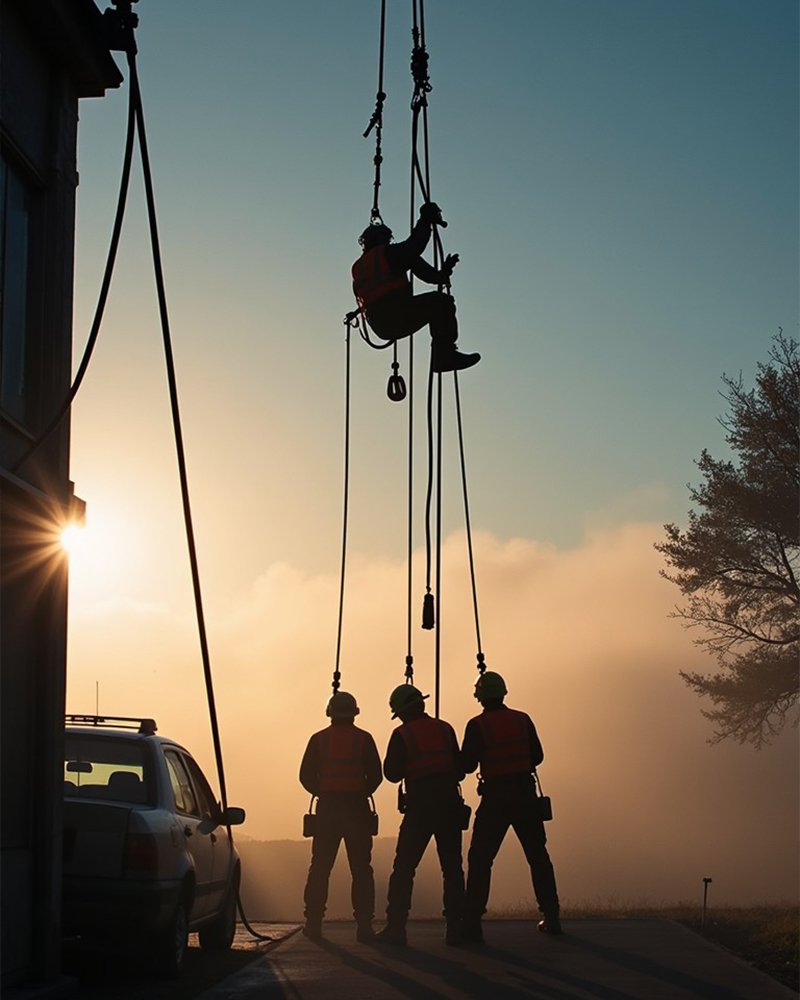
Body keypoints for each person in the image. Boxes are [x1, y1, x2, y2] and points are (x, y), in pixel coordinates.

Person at [460, 671, 561, 942]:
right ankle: (552, 917)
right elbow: (537, 756)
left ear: (480, 696)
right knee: (538, 856)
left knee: (481, 858)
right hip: (524, 794)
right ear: (503, 692)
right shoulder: (522, 719)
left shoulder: (477, 725)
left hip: (495, 797)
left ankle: (472, 923)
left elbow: (467, 765)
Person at [375, 684, 466, 946]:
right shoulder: (445, 728)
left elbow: (391, 774)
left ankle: (396, 928)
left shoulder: (402, 734)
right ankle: (454, 928)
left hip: (420, 807)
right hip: (448, 802)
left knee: (404, 867)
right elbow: (460, 770)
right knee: (452, 867)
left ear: (401, 711)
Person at [352, 202, 481, 373]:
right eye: (386, 239)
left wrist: (444, 273)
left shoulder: (361, 267)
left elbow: (419, 265)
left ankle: (444, 356)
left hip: (380, 326)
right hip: (396, 315)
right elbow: (414, 247)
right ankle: (445, 356)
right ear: (379, 239)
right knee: (442, 303)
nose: (389, 242)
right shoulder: (387, 255)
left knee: (439, 302)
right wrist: (425, 218)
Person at [299, 690, 383, 942]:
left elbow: (305, 776)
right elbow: (376, 776)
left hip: (328, 810)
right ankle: (365, 927)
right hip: (357, 809)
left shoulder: (318, 740)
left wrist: (324, 790)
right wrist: (358, 791)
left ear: (330, 712)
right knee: (361, 870)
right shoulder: (364, 739)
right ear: (355, 712)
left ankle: (313, 923)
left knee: (320, 868)